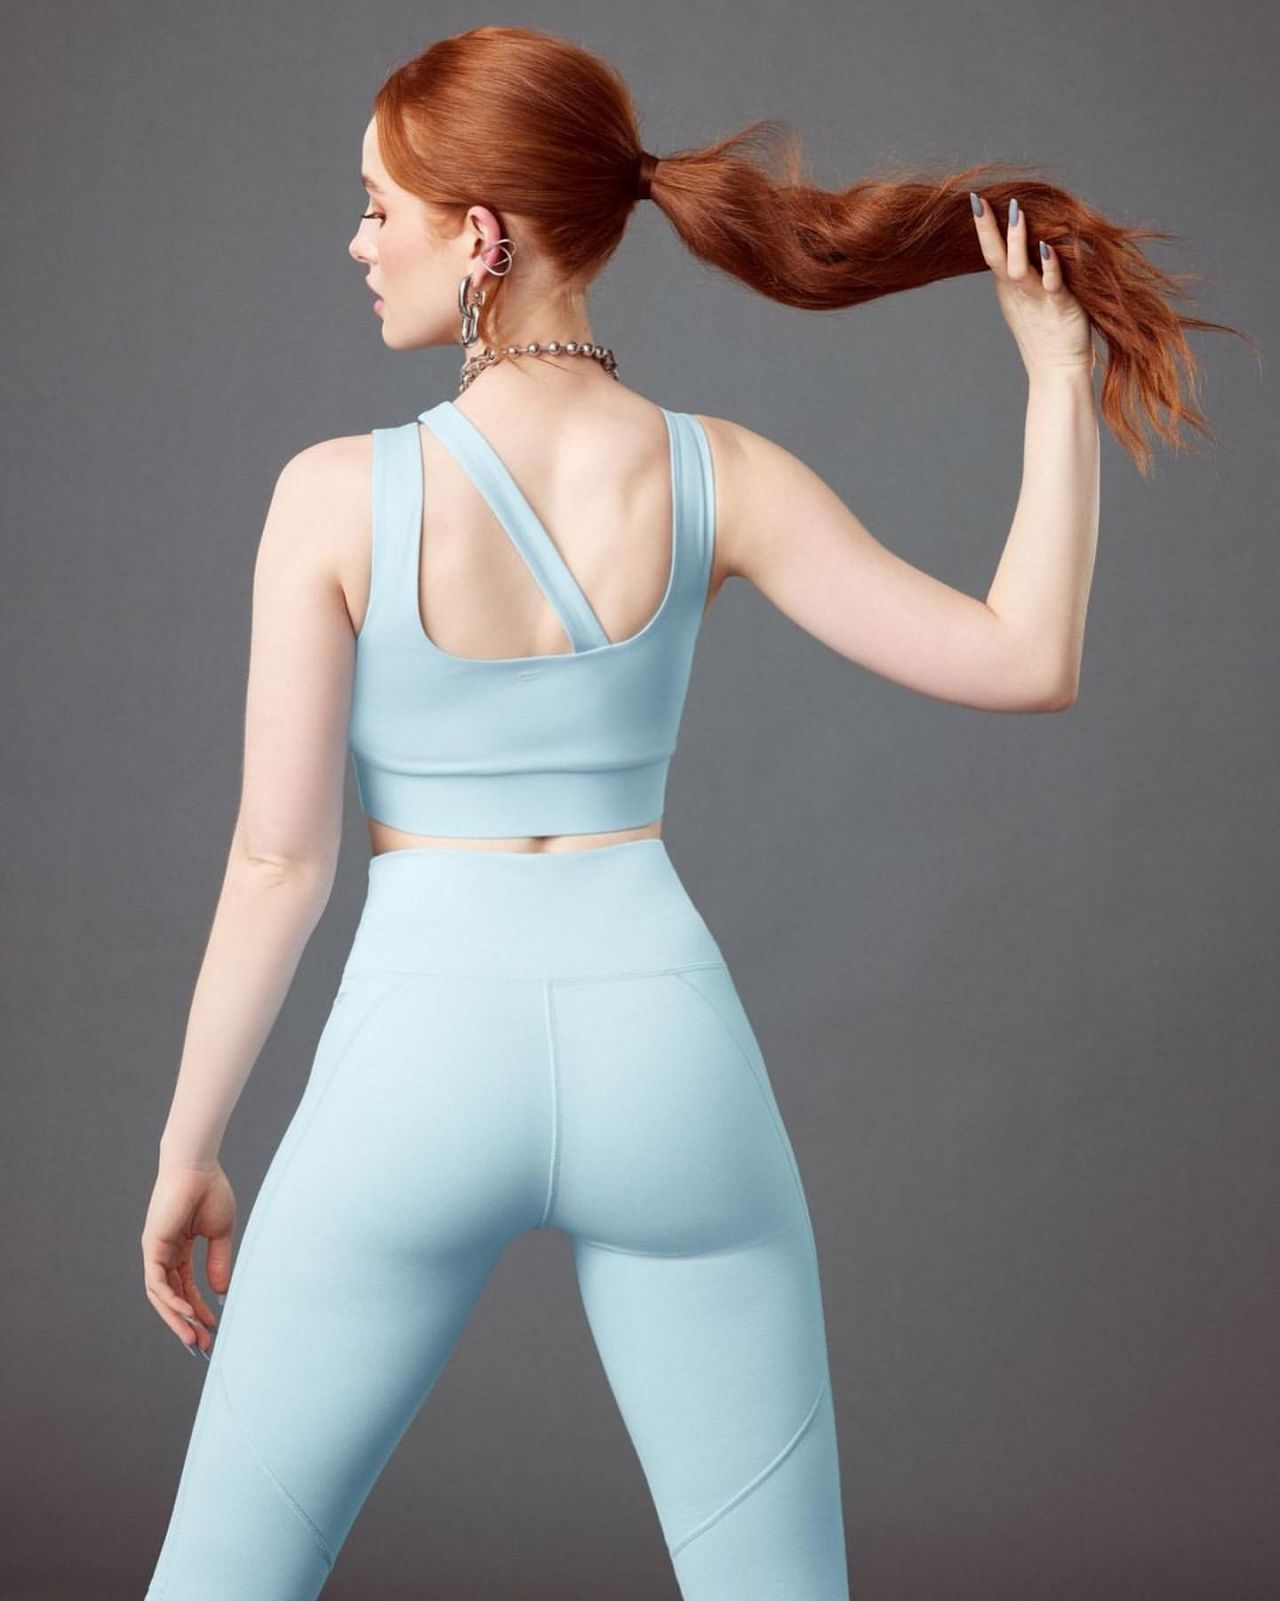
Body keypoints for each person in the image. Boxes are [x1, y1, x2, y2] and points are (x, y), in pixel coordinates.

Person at [138, 23, 1229, 1601]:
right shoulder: (721, 474)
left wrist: (190, 1145)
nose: (358, 242)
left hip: (414, 1062)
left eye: (380, 207)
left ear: (483, 235)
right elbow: (1025, 657)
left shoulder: (331, 495)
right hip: (665, 1058)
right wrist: (1059, 381)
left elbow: (277, 859)